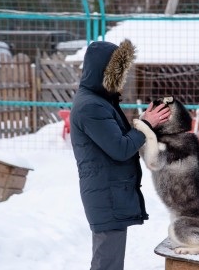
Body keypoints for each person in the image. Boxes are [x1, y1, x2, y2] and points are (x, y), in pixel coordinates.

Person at [70, 39, 170, 270]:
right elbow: (121, 149)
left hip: (109, 192)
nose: (122, 78)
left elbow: (118, 139)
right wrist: (146, 124)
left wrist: (145, 123)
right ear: (104, 72)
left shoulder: (99, 102)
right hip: (106, 195)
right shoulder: (91, 106)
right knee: (108, 264)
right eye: (119, 71)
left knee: (108, 261)